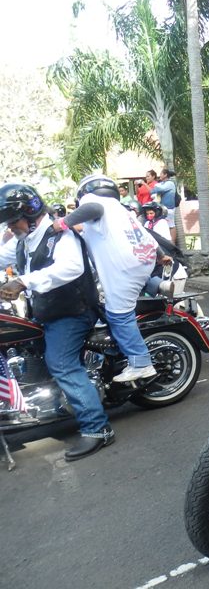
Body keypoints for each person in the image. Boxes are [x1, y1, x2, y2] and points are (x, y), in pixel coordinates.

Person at [0, 184, 113, 461]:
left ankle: (98, 429)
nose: (10, 226)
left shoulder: (59, 235)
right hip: (46, 311)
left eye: (13, 220)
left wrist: (23, 281)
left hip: (72, 312)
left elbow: (70, 268)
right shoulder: (23, 240)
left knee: (60, 363)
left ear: (30, 211)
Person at [55, 174, 159, 384]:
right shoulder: (117, 208)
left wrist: (61, 223)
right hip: (141, 260)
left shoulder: (96, 203)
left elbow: (93, 210)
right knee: (108, 307)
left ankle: (141, 363)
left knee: (118, 314)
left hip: (126, 267)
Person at [150, 168, 179, 243]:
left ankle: (172, 243)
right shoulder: (163, 183)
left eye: (161, 173)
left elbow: (158, 189)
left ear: (165, 175)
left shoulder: (170, 183)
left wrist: (155, 186)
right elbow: (152, 192)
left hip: (169, 208)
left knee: (171, 225)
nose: (160, 175)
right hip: (163, 208)